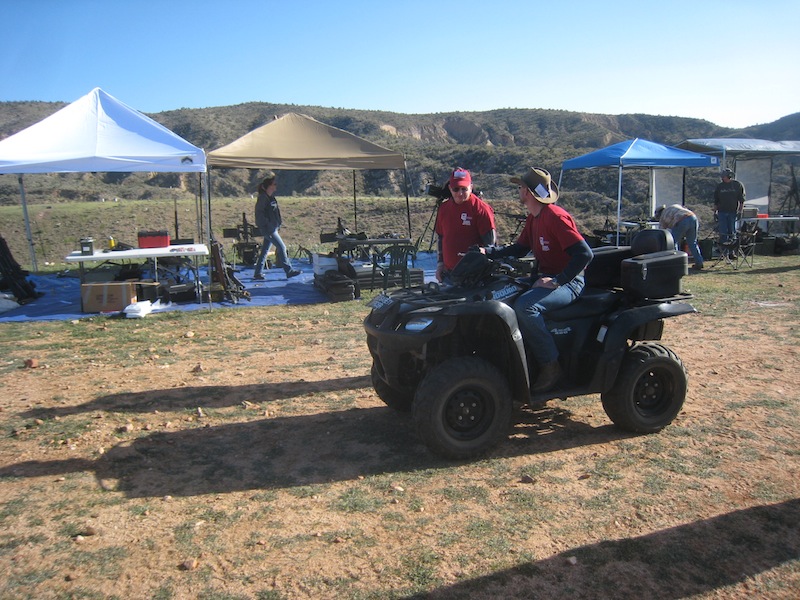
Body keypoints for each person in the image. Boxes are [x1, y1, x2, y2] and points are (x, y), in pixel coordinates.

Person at [486, 167, 593, 393]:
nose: (518, 190)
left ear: (528, 192)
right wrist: (489, 253)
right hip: (547, 277)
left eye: (520, 187)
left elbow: (584, 254)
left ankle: (550, 365)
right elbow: (520, 248)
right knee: (503, 292)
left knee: (526, 307)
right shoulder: (535, 218)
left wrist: (557, 281)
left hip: (570, 282)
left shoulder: (555, 217)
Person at [434, 167, 496, 283]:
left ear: (471, 187)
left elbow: (491, 245)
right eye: (456, 189)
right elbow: (441, 238)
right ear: (450, 188)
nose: (460, 193)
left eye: (464, 189)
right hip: (449, 273)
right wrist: (440, 265)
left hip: (474, 276)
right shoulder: (443, 208)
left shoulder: (481, 209)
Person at [252, 172, 300, 280]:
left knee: (265, 250)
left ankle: (257, 273)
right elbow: (259, 216)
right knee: (282, 247)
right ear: (268, 186)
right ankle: (289, 271)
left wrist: (277, 224)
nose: (275, 186)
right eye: (274, 184)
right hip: (269, 229)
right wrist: (268, 226)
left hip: (272, 228)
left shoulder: (271, 198)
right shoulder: (263, 198)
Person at [654, 204, 704, 271]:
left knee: (673, 242)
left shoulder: (663, 217)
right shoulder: (674, 206)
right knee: (692, 242)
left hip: (681, 220)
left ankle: (677, 263)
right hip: (693, 217)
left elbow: (661, 232)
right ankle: (699, 263)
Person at [714, 168, 746, 246]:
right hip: (722, 212)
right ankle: (724, 251)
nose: (723, 178)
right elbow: (716, 200)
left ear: (729, 176)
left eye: (724, 176)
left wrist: (740, 211)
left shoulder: (737, 185)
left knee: (732, 232)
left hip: (732, 212)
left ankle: (732, 251)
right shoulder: (720, 186)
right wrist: (715, 212)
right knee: (723, 232)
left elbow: (741, 200)